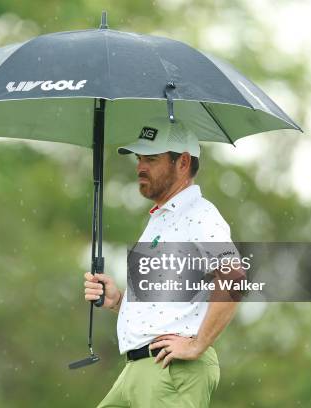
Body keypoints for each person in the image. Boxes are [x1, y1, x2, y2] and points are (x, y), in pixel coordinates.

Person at [84, 117, 239, 408]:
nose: (140, 167)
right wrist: (119, 301)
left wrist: (197, 345)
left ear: (182, 163)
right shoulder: (161, 218)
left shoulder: (200, 215)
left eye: (151, 159)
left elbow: (234, 278)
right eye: (139, 158)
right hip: (138, 370)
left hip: (170, 372)